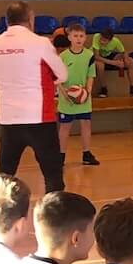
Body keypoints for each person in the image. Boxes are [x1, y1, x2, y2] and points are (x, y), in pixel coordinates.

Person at [0, 1, 67, 193]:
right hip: (39, 117)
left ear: (7, 20)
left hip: (9, 117)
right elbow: (62, 75)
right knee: (52, 175)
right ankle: (54, 211)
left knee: (5, 174)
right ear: (31, 18)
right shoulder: (40, 43)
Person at [58, 20, 100, 167]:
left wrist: (87, 92)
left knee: (86, 124)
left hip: (84, 98)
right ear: (69, 37)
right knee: (65, 127)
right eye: (75, 36)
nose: (78, 39)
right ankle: (61, 156)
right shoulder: (63, 56)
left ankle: (86, 154)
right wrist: (65, 94)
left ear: (85, 38)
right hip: (66, 99)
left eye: (81, 36)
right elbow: (57, 78)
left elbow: (91, 76)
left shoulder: (89, 55)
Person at [91, 25, 133, 98]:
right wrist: (114, 63)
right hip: (97, 57)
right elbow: (96, 56)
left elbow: (124, 52)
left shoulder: (116, 41)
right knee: (100, 65)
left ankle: (132, 88)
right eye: (101, 39)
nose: (101, 41)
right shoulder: (96, 36)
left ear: (110, 40)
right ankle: (103, 89)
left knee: (131, 61)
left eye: (104, 40)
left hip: (108, 56)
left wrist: (125, 59)